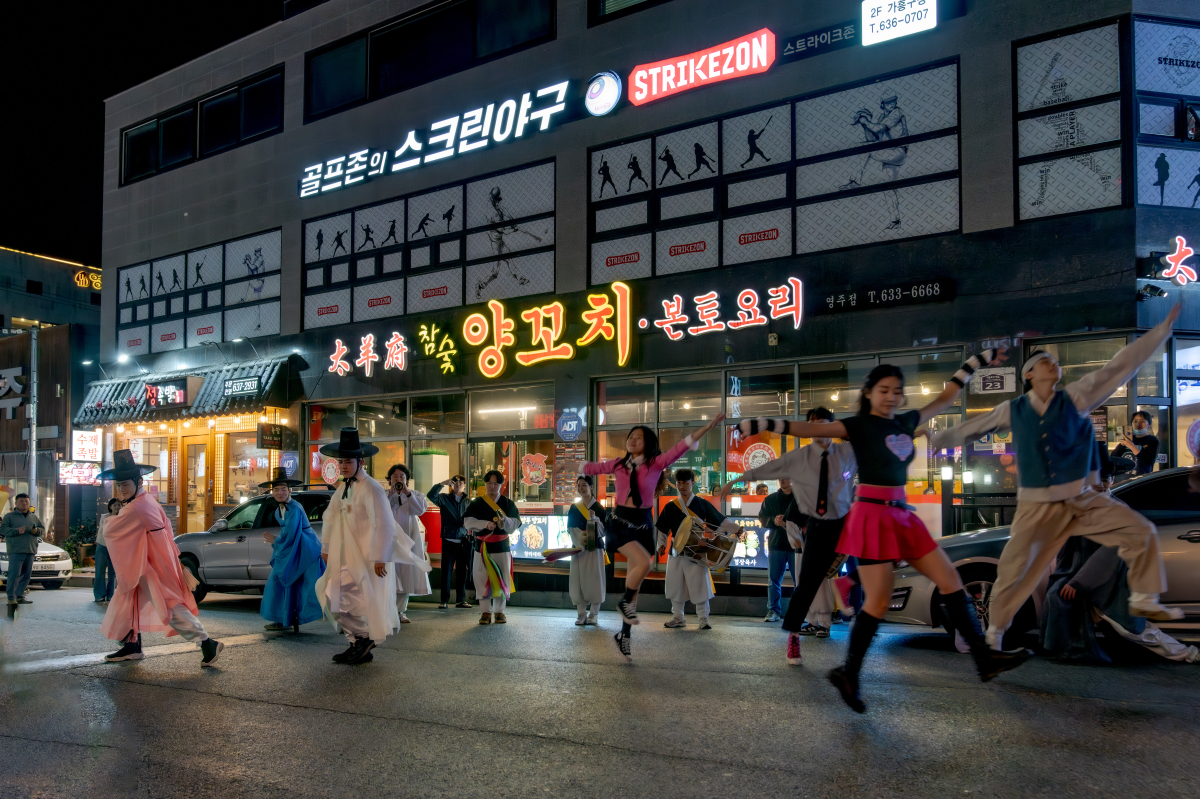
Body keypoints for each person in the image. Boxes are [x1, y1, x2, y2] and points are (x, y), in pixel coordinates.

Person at [739, 351, 1032, 712]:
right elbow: (810, 429)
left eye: (896, 390)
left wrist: (976, 362)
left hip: (902, 515)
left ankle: (984, 658)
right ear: (869, 393)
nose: (891, 396)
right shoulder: (858, 426)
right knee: (877, 601)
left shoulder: (906, 421)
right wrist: (762, 423)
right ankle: (849, 672)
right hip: (872, 516)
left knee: (950, 579)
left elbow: (944, 399)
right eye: (883, 390)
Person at [931, 307, 1185, 654]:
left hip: (1081, 499)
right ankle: (995, 635)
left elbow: (1118, 368)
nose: (1054, 364)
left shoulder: (1075, 398)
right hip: (1037, 505)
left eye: (1055, 361)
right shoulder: (1013, 409)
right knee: (1015, 569)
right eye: (1045, 361)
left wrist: (1161, 331)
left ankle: (1143, 598)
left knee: (1141, 530)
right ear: (1029, 373)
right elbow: (971, 428)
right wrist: (936, 439)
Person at [558, 415, 725, 662]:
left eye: (639, 437)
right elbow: (590, 467)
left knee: (633, 590)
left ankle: (624, 636)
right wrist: (565, 465)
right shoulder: (618, 464)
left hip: (644, 524)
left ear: (648, 443)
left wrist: (707, 427)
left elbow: (681, 447)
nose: (633, 440)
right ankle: (623, 607)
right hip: (622, 523)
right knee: (644, 564)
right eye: (631, 437)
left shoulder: (656, 464)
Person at [723, 408, 857, 662]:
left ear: (833, 427)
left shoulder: (848, 452)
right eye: (812, 424)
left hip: (844, 521)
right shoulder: (800, 457)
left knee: (874, 556)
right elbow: (770, 468)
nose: (818, 429)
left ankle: (847, 585)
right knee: (806, 584)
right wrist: (737, 479)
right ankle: (794, 635)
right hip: (817, 525)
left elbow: (878, 440)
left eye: (823, 424)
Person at [315, 428, 429, 665]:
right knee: (333, 596)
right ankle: (358, 642)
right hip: (347, 555)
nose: (343, 466)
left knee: (348, 598)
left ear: (361, 462)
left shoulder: (371, 487)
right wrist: (325, 548)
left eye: (348, 461)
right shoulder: (343, 488)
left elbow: (384, 523)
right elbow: (330, 517)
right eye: (341, 461)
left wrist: (380, 556)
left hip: (367, 558)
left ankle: (363, 640)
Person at [98, 451, 223, 666]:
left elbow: (110, 531)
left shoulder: (135, 507)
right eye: (118, 485)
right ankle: (132, 645)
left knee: (167, 604)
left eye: (125, 484)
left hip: (151, 564)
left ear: (139, 482)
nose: (121, 489)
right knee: (131, 600)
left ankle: (207, 642)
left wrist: (111, 518)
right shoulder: (147, 500)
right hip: (155, 560)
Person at [1042, 536, 1198, 664]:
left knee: (1133, 630)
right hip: (1092, 582)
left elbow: (1111, 549)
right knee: (1123, 628)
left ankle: (1188, 653)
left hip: (1107, 585)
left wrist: (1080, 581)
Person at [656, 469, 741, 630]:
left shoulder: (702, 503)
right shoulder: (670, 506)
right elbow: (662, 529)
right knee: (675, 584)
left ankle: (703, 618)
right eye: (679, 483)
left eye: (685, 482)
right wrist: (661, 544)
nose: (682, 486)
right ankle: (678, 617)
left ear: (693, 483)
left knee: (699, 584)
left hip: (697, 549)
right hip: (676, 550)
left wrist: (737, 528)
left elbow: (720, 520)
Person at [259, 468, 325, 633]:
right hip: (295, 547)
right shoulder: (280, 509)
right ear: (272, 492)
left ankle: (344, 619)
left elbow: (290, 533)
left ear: (289, 491)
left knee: (305, 585)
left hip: (305, 549)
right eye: (276, 489)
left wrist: (276, 540)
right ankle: (284, 619)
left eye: (283, 489)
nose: (280, 493)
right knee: (283, 582)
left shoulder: (295, 508)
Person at [464, 470, 521, 624]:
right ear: (485, 484)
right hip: (482, 547)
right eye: (489, 483)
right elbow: (467, 522)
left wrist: (505, 521)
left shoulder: (508, 503)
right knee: (481, 578)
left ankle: (499, 612)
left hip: (501, 546)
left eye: (496, 483)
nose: (492, 486)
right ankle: (485, 612)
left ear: (501, 485)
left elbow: (516, 523)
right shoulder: (476, 503)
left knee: (502, 578)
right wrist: (485, 524)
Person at [753, 477, 804, 623]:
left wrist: (789, 523)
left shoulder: (801, 497)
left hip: (797, 545)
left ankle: (800, 611)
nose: (782, 480)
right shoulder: (771, 499)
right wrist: (773, 521)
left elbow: (808, 518)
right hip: (776, 544)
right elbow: (762, 517)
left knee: (799, 581)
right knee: (773, 580)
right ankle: (773, 610)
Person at [387, 464, 430, 623]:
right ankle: (388, 611)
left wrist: (407, 493)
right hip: (389, 541)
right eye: (395, 476)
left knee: (405, 575)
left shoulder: (415, 494)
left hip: (409, 541)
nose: (398, 479)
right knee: (390, 575)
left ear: (407, 479)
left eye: (402, 476)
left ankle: (400, 611)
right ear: (390, 479)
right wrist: (390, 494)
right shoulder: (384, 495)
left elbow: (420, 510)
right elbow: (379, 511)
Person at [427, 475, 472, 609]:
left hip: (463, 541)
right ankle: (444, 600)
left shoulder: (468, 501)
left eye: (461, 482)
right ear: (452, 485)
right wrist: (442, 483)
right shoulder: (444, 499)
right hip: (448, 540)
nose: (458, 484)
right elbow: (431, 495)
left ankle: (460, 600)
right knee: (446, 571)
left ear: (465, 486)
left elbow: (473, 518)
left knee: (461, 572)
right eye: (455, 482)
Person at [567, 475, 607, 625]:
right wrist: (580, 538)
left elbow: (604, 531)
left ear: (591, 487)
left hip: (595, 549)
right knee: (578, 580)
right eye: (579, 485)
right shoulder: (574, 508)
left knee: (595, 580)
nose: (581, 488)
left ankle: (594, 614)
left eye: (584, 485)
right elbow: (571, 528)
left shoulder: (599, 508)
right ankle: (581, 614)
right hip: (578, 549)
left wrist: (594, 520)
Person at [2, 493, 44, 607]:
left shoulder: (33, 517)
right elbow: (3, 530)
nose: (24, 503)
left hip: (30, 550)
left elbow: (42, 529)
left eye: (26, 501)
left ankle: (20, 596)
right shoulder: (9, 516)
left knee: (26, 575)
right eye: (21, 501)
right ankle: (11, 597)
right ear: (16, 503)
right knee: (14, 574)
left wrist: (37, 531)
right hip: (16, 550)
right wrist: (16, 531)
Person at [1110, 411, 1159, 476]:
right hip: (1122, 479)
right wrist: (1121, 445)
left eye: (1142, 421)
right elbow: (1113, 458)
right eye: (1135, 421)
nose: (1138, 424)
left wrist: (1131, 446)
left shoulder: (1153, 440)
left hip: (1140, 480)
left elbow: (1148, 462)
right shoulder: (1129, 438)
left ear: (1149, 425)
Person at [93, 498, 121, 603]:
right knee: (100, 570)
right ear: (110, 507)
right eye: (115, 505)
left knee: (112, 572)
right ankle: (99, 595)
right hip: (102, 545)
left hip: (114, 547)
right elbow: (106, 531)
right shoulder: (104, 517)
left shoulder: (122, 518)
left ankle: (111, 595)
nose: (117, 507)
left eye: (118, 505)